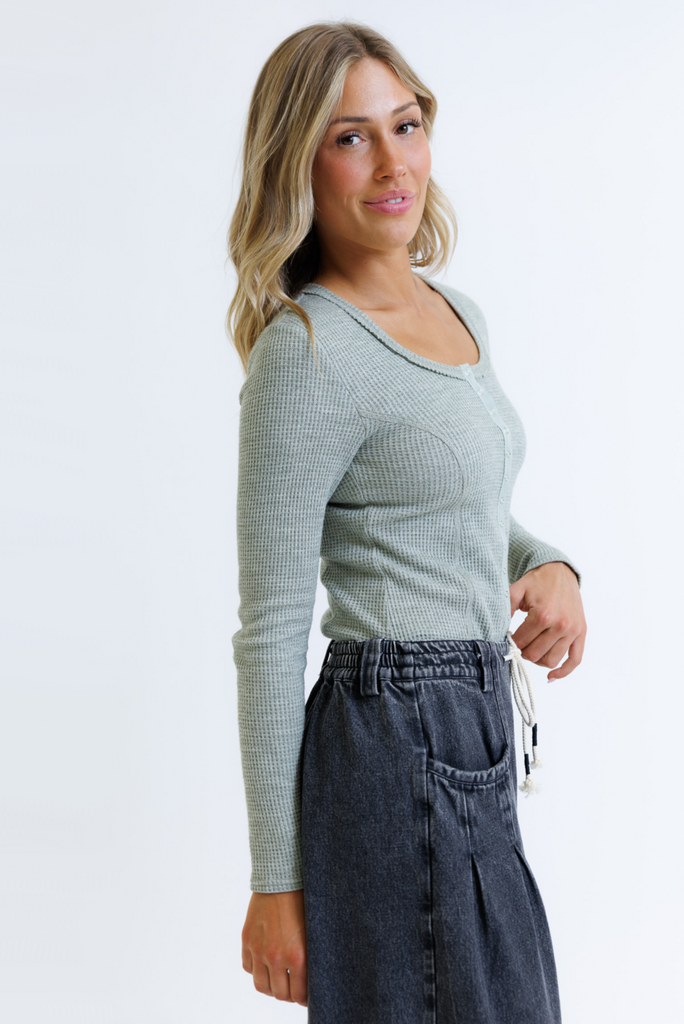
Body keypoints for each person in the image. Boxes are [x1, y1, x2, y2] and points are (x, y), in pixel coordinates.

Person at [226, 21, 586, 1024]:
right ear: (298, 163)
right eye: (351, 137)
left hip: (472, 719)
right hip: (391, 727)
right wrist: (275, 881)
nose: (393, 163)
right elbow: (270, 630)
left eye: (405, 124)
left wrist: (550, 565)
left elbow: (462, 505)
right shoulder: (308, 352)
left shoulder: (456, 312)